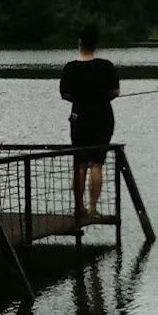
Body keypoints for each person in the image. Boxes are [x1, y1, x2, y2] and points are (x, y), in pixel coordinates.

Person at [59, 22, 120, 217]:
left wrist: (80, 99)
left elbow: (65, 94)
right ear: (96, 44)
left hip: (79, 119)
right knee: (97, 164)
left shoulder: (70, 68)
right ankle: (93, 208)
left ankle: (79, 207)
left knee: (80, 164)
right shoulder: (106, 66)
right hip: (102, 119)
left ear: (80, 44)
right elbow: (115, 92)